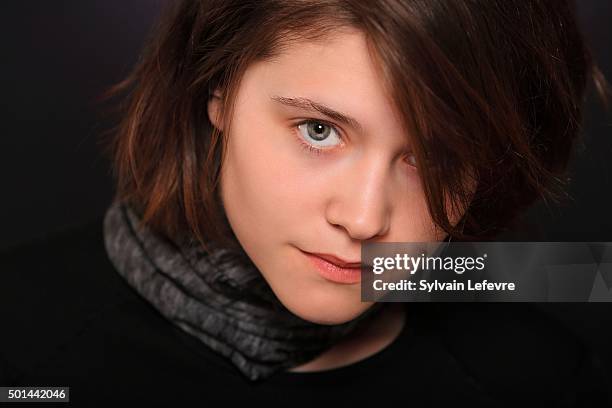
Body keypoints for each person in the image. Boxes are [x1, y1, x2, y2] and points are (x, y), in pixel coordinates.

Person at [1, 0, 610, 405]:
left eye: (437, 157)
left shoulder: (537, 370)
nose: (366, 219)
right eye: (319, 130)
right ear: (218, 90)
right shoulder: (24, 346)